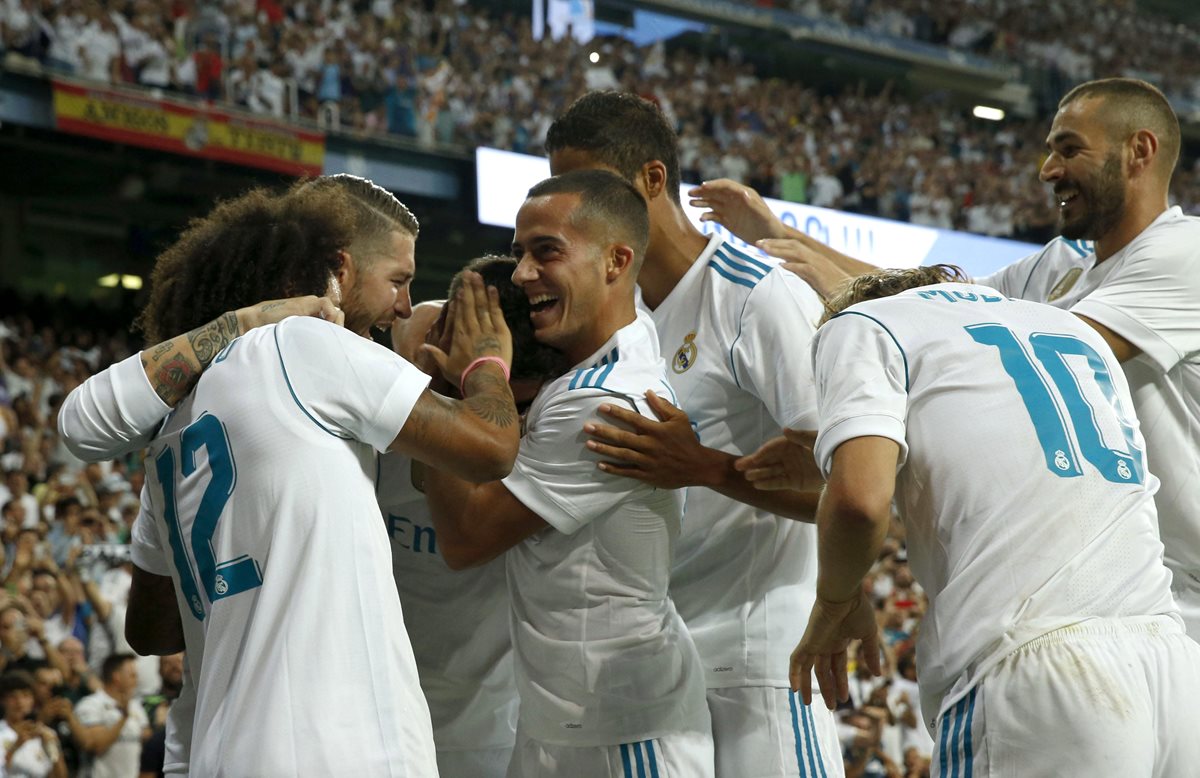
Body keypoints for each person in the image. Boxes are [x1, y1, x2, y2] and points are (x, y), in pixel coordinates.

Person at [697, 78, 1200, 640]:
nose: (1047, 169)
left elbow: (1009, 363)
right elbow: (939, 299)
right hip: (1120, 581)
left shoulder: (1184, 255)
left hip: (1185, 589)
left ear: (1140, 151)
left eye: (1068, 148)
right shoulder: (1062, 263)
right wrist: (783, 235)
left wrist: (867, 442)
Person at [58, 177, 522, 777]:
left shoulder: (173, 426)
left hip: (217, 749)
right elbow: (490, 447)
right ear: (339, 270)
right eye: (399, 281)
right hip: (337, 748)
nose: (405, 307)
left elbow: (152, 628)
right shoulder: (304, 343)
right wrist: (486, 360)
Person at [780, 264, 1200, 776]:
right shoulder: (1073, 328)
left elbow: (858, 502)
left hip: (1033, 669)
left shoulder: (863, 323)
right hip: (1173, 666)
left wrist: (835, 600)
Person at [545, 91, 842, 777]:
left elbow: (858, 495)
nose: (575, 213)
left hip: (758, 647)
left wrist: (707, 467)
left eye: (592, 189)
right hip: (660, 657)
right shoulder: (625, 319)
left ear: (653, 180)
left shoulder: (760, 296)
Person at [425, 169, 713, 777]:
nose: (524, 272)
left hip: (623, 730)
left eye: (546, 251)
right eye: (519, 252)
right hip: (560, 720)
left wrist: (462, 380)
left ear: (616, 261)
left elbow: (467, 538)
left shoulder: (601, 400)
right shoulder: (614, 355)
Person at [380, 255, 566, 777]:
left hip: (491, 736)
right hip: (368, 724)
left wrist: (470, 384)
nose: (514, 421)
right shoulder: (382, 390)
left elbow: (463, 538)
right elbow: (412, 319)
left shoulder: (561, 425)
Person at [73, 653, 150, 778]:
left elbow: (146, 735)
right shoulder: (90, 705)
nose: (136, 680)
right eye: (132, 675)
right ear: (117, 677)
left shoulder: (135, 705)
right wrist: (123, 718)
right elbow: (97, 746)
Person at [0, 670, 66, 778]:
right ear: (3, 700)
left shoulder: (46, 734)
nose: (20, 702)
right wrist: (16, 746)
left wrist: (52, 748)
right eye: (13, 697)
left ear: (33, 700)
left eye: (25, 696)